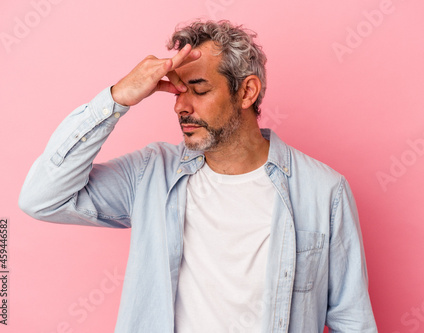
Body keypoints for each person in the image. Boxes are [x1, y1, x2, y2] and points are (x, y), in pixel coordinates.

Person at [19, 20, 377, 332]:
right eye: (176, 91)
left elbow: (352, 321)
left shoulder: (323, 191)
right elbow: (42, 198)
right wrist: (117, 99)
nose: (180, 105)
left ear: (247, 92)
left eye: (199, 90)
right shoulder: (150, 174)